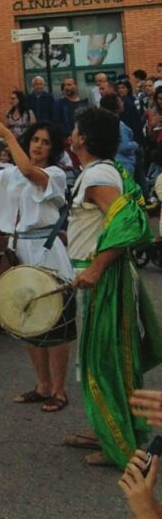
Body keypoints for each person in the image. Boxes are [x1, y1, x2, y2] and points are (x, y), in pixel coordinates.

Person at [65, 108, 162, 468]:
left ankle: (118, 445)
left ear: (83, 138)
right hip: (102, 276)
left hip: (103, 280)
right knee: (105, 359)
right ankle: (106, 428)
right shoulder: (103, 170)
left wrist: (96, 267)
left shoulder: (98, 175)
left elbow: (128, 222)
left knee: (103, 362)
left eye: (75, 129)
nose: (71, 133)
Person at [0, 120, 74, 412]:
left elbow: (28, 171)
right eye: (35, 140)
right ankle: (43, 386)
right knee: (27, 320)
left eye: (45, 142)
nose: (38, 145)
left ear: (53, 149)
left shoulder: (54, 175)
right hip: (18, 250)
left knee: (55, 319)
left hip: (47, 252)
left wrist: (7, 135)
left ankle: (59, 390)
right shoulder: (9, 173)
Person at [100, 92, 138, 175]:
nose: (123, 103)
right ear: (116, 108)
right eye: (120, 102)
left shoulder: (102, 124)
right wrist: (135, 144)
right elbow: (124, 146)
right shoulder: (119, 125)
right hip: (123, 164)